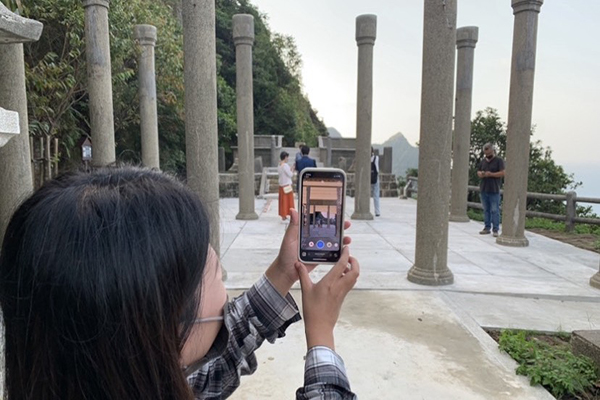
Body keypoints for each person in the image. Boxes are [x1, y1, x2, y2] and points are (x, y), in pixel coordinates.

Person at [0, 166, 359, 400]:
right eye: (207, 266)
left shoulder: (127, 379)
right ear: (157, 325)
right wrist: (322, 337)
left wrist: (285, 271)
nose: (216, 263)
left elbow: (222, 353)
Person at [477, 143, 505, 237]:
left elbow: (503, 173)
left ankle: (496, 229)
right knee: (486, 209)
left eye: (489, 153)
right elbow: (478, 171)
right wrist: (481, 174)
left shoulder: (499, 161)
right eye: (486, 153)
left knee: (495, 210)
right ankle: (487, 227)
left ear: (492, 151)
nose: (487, 156)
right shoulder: (483, 161)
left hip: (494, 189)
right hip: (484, 188)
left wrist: (491, 174)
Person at [278, 151, 295, 222]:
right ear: (285, 157)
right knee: (289, 202)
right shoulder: (285, 165)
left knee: (283, 202)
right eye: (287, 157)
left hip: (281, 185)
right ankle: (290, 214)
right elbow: (290, 175)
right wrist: (293, 170)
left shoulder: (279, 165)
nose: (288, 159)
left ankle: (283, 215)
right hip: (287, 186)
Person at [371, 147, 381, 217]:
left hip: (367, 178)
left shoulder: (365, 159)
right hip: (375, 178)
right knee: (376, 195)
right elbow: (377, 169)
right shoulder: (376, 158)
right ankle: (377, 212)